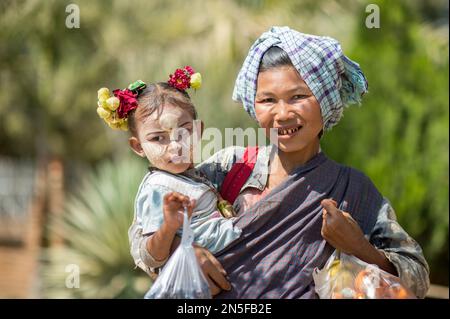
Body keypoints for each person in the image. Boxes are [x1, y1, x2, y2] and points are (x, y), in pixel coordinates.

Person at [130, 26, 430, 298]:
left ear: (324, 103)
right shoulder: (230, 167)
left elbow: (417, 278)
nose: (282, 114)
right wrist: (183, 250)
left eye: (298, 96)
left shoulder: (351, 189)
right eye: (268, 100)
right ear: (255, 105)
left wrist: (360, 249)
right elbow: (144, 236)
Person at [96, 68, 241, 286]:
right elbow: (152, 256)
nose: (175, 145)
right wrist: (169, 227)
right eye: (158, 138)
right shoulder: (160, 189)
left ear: (198, 131)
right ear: (138, 146)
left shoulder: (197, 175)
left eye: (184, 132)